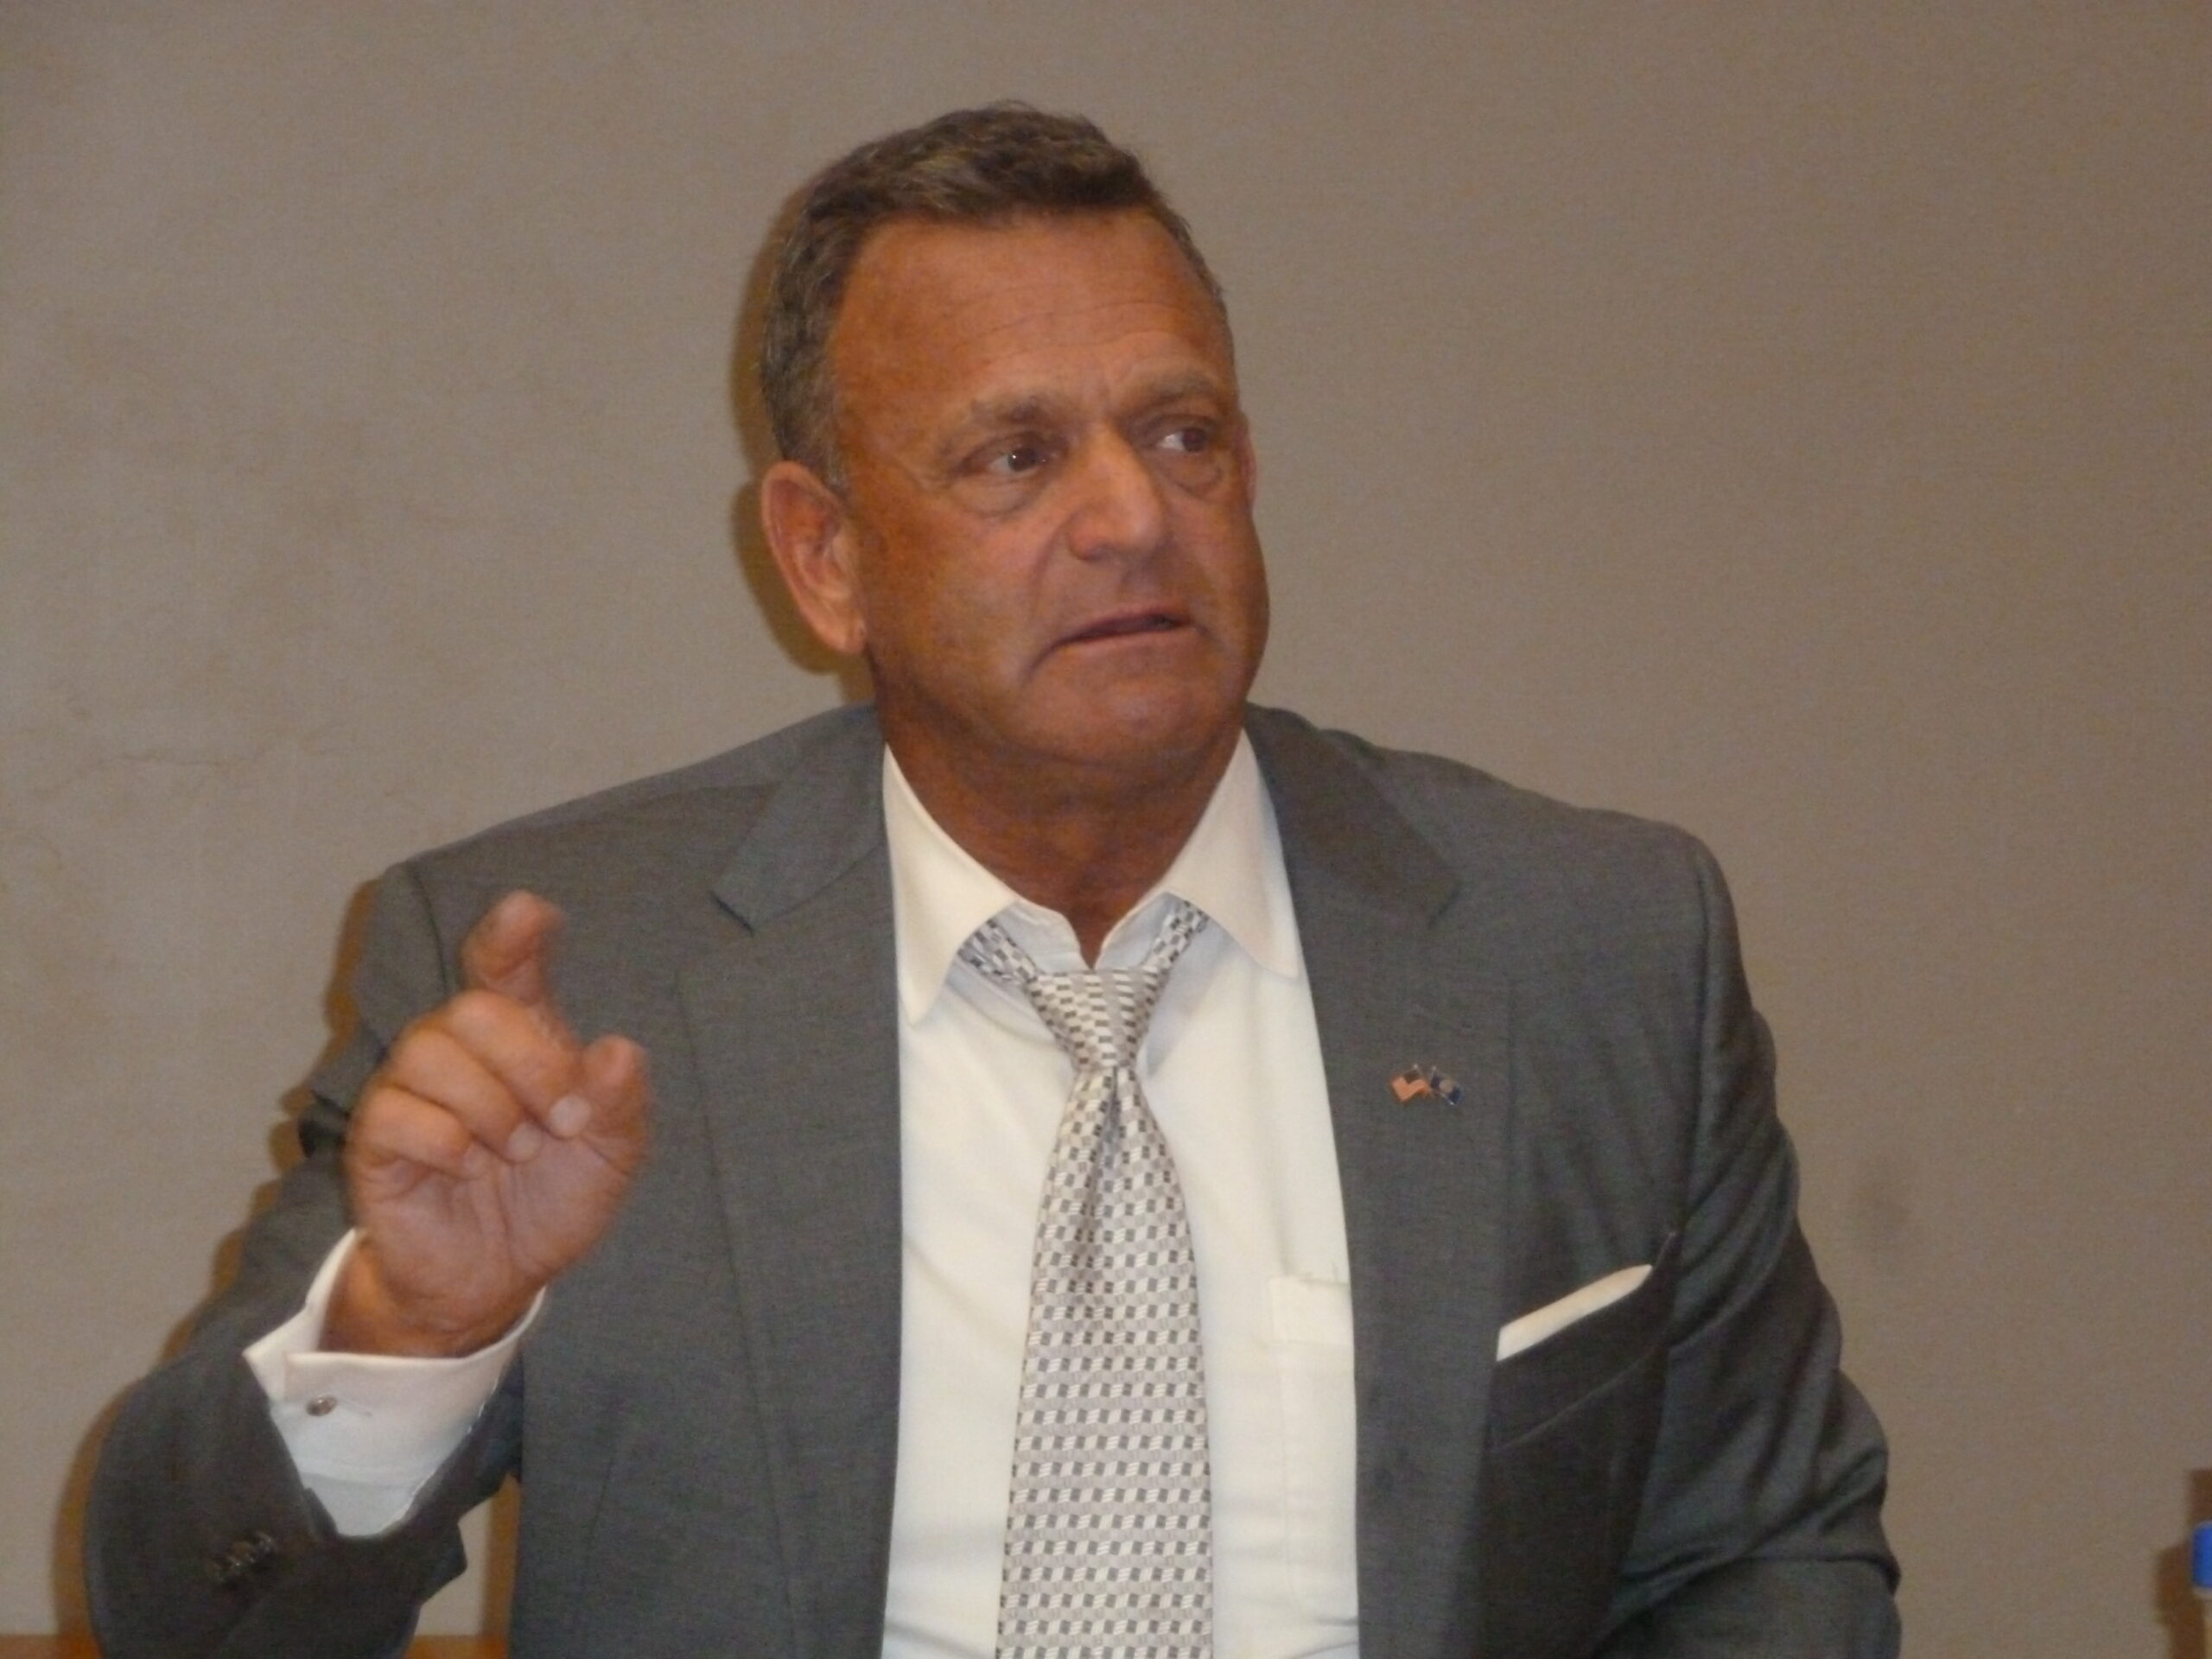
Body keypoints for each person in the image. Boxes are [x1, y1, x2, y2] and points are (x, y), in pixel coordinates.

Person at [86, 105, 1898, 1657]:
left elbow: (1762, 1561)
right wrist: (413, 1336)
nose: (1131, 515)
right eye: (1016, 457)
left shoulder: (1586, 948)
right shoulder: (574, 988)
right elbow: (185, 1617)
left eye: (1182, 434)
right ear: (824, 558)